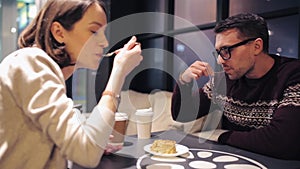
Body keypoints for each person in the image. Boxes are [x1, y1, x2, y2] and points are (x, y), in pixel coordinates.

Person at [0, 0, 142, 169]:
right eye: (94, 31)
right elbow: (87, 154)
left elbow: (78, 144)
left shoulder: (48, 76)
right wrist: (118, 73)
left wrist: (94, 142)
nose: (104, 42)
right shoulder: (31, 63)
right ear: (59, 32)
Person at [171, 13, 300, 160]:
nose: (220, 61)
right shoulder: (224, 80)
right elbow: (182, 114)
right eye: (218, 52)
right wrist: (184, 81)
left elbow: (282, 141)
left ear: (257, 46)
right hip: (232, 160)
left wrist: (223, 136)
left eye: (227, 50)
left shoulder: (293, 75)